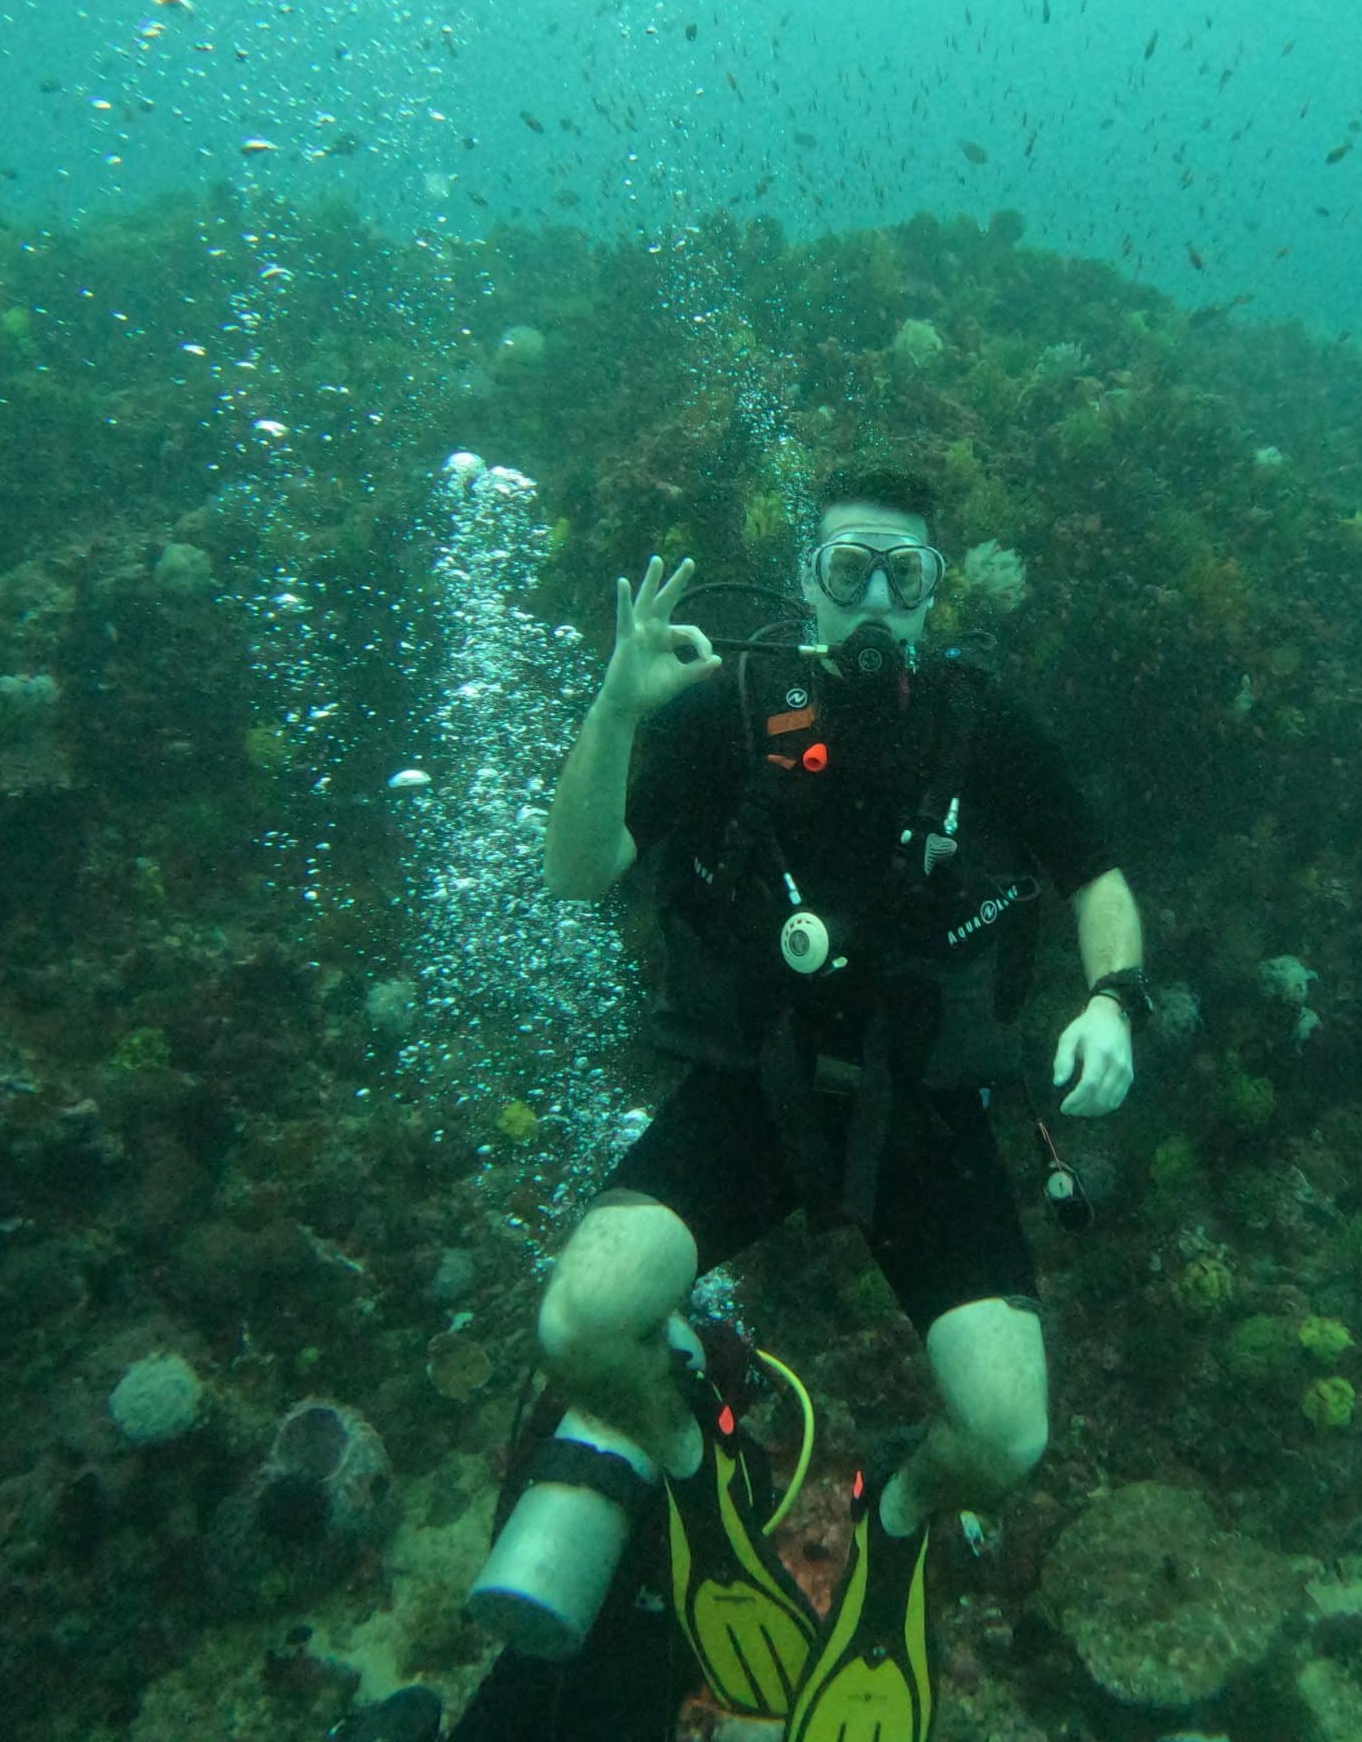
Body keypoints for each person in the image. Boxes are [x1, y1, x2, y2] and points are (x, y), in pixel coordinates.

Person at [470, 464, 1150, 1741]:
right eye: (849, 573)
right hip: (754, 1093)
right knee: (580, 1324)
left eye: (905, 573)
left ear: (938, 588)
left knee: (1006, 1434)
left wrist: (1117, 998)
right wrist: (616, 707)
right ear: (805, 584)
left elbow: (1095, 876)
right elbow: (578, 871)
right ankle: (691, 1468)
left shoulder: (983, 729)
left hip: (925, 1117)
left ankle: (892, 1512)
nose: (877, 601)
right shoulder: (736, 708)